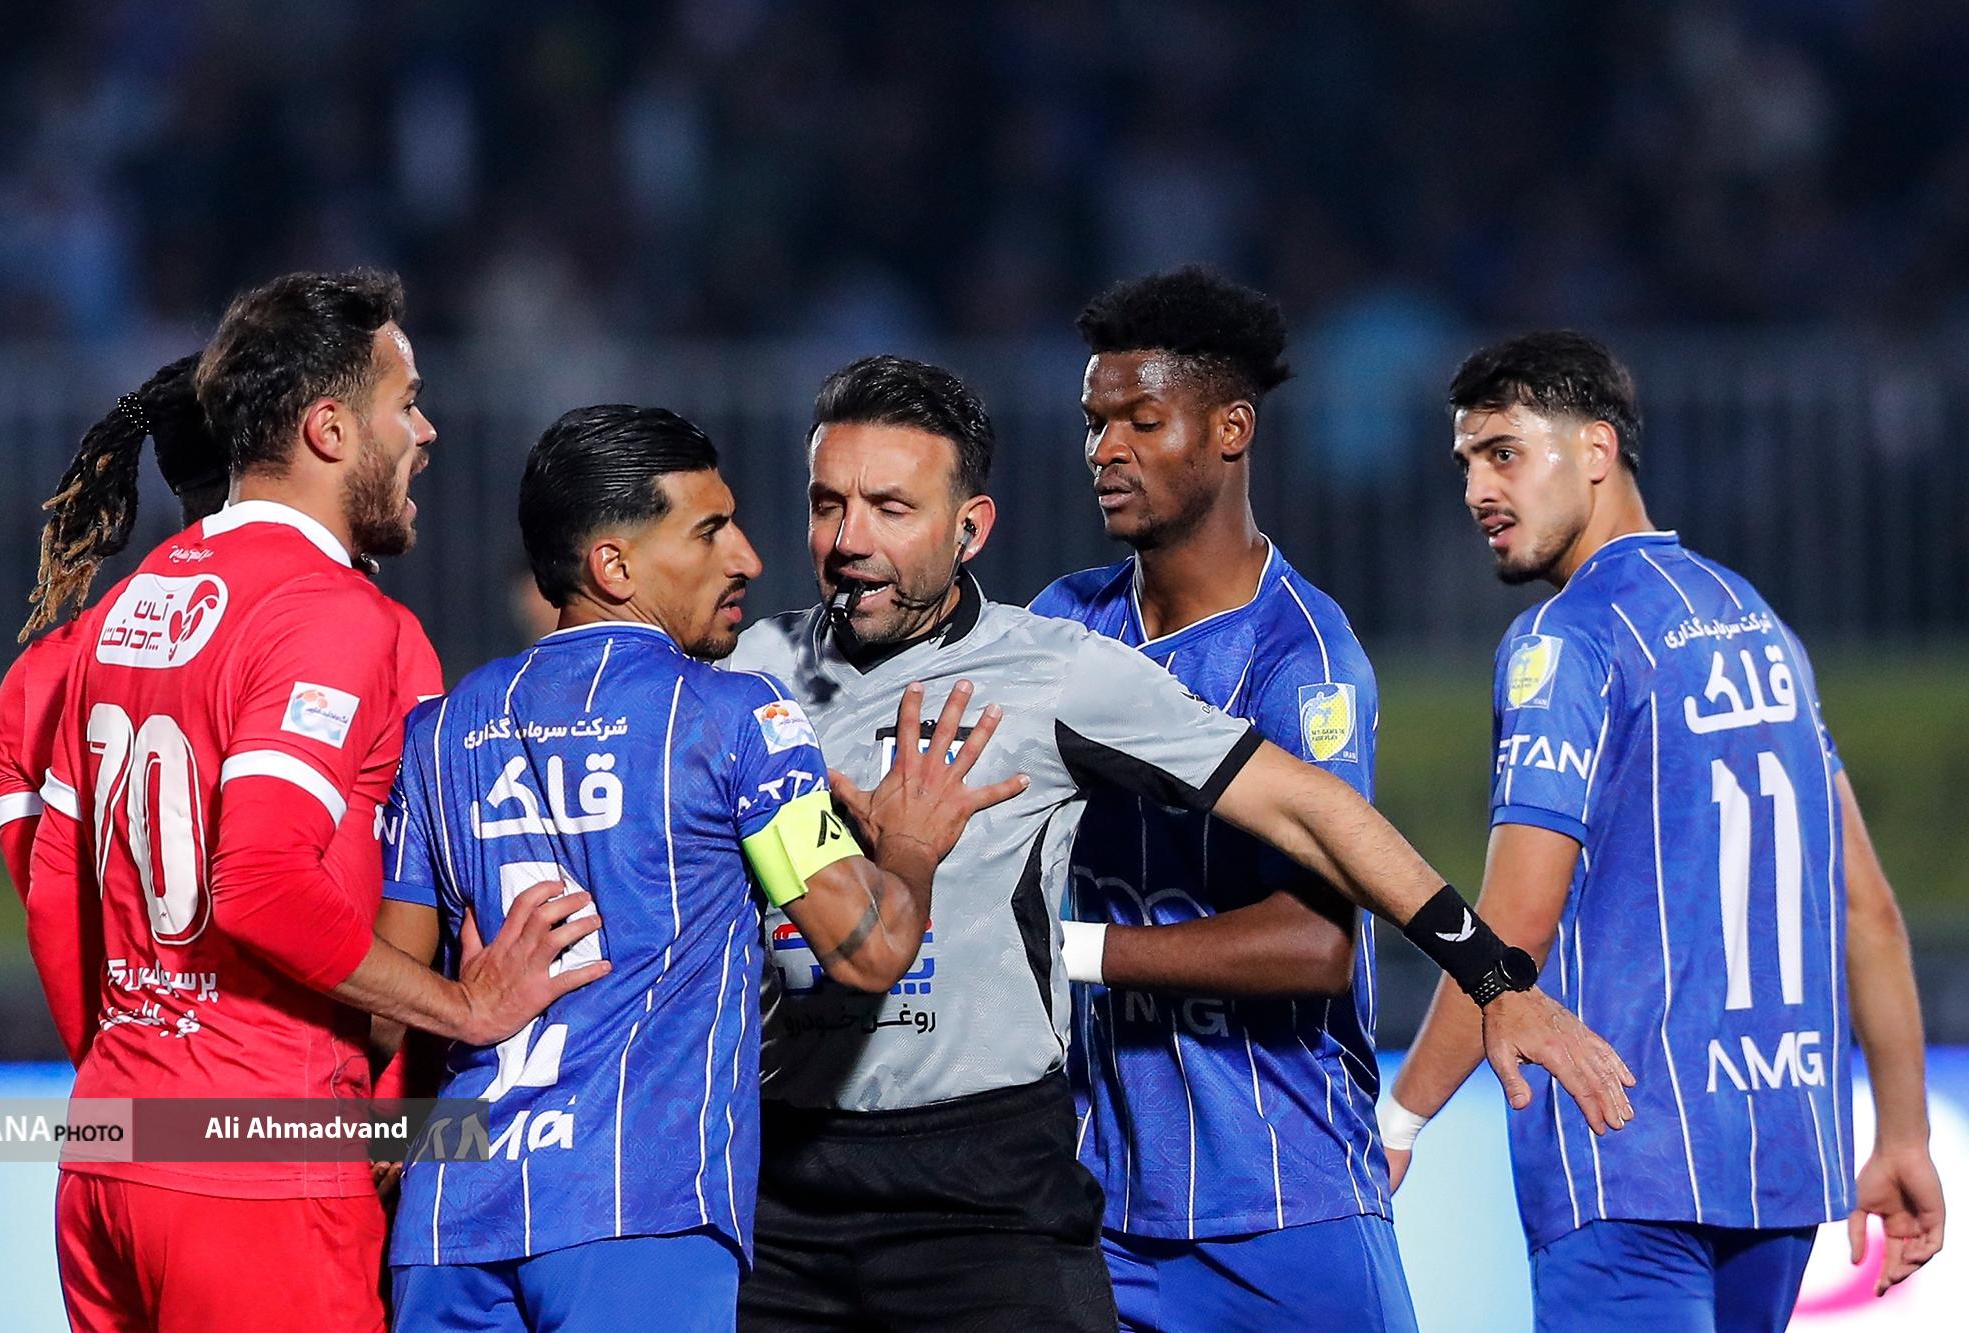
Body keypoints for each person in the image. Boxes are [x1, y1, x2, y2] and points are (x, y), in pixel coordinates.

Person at [727, 353, 1634, 1332]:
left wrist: (1489, 973)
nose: (849, 540)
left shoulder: (1053, 672)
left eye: (890, 508)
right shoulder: (745, 673)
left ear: (969, 528)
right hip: (782, 1193)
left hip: (983, 1200)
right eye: (828, 505)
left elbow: (1311, 810)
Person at [29, 269, 605, 1333]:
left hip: (112, 1152)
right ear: (330, 429)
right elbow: (260, 883)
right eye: (405, 402)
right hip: (258, 1165)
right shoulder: (332, 615)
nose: (425, 431)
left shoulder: (130, 606)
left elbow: (56, 882)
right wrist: (465, 1010)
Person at [374, 404, 1023, 1332]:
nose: (747, 558)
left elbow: (382, 1015)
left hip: (451, 1216)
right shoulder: (736, 720)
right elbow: (869, 949)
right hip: (641, 1212)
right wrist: (910, 850)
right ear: (615, 566)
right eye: (710, 531)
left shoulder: (439, 732)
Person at [1383, 331, 1946, 1330]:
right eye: (1465, 463)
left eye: (1503, 453)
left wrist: (1400, 1115)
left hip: (1625, 1154)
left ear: (1596, 449)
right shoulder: (1758, 624)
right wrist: (1901, 1133)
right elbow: (1864, 905)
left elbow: (1513, 928)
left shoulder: (1565, 641)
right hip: (1777, 1160)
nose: (1476, 490)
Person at [1031, 267, 1415, 1330]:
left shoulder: (1303, 659)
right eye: (1094, 422)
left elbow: (1316, 944)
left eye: (1140, 421)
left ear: (1230, 429)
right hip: (1101, 1208)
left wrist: (1077, 951)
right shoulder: (1063, 624)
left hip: (1283, 1204)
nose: (1104, 449)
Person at [0, 355, 229, 1059]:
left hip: (127, 1079)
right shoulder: (346, 636)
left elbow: (58, 920)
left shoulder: (37, 679)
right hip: (298, 1096)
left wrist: (110, 1080)